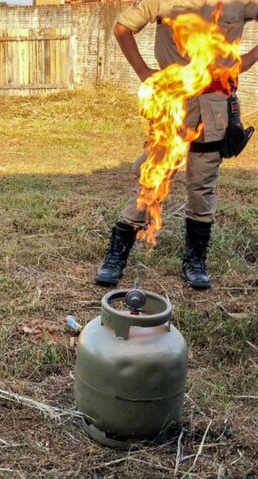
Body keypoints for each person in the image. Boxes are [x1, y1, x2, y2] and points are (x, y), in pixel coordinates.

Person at [95, 0, 258, 290]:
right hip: (173, 104)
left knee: (202, 184)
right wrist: (144, 71)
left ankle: (195, 261)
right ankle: (115, 257)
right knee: (151, 179)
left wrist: (244, 61)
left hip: (215, 106)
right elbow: (122, 28)